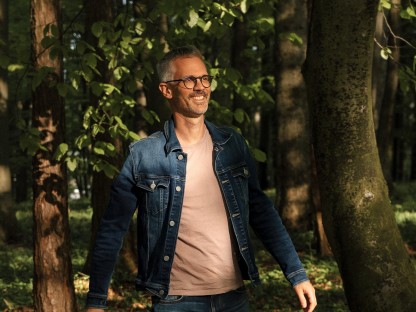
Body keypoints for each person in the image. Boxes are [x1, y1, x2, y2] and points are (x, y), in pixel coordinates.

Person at [86, 45, 317, 312]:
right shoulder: (144, 155)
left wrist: (296, 273)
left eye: (205, 78)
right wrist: (96, 301)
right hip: (175, 302)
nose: (200, 87)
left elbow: (262, 211)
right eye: (189, 80)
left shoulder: (233, 145)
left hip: (234, 298)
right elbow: (113, 229)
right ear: (166, 90)